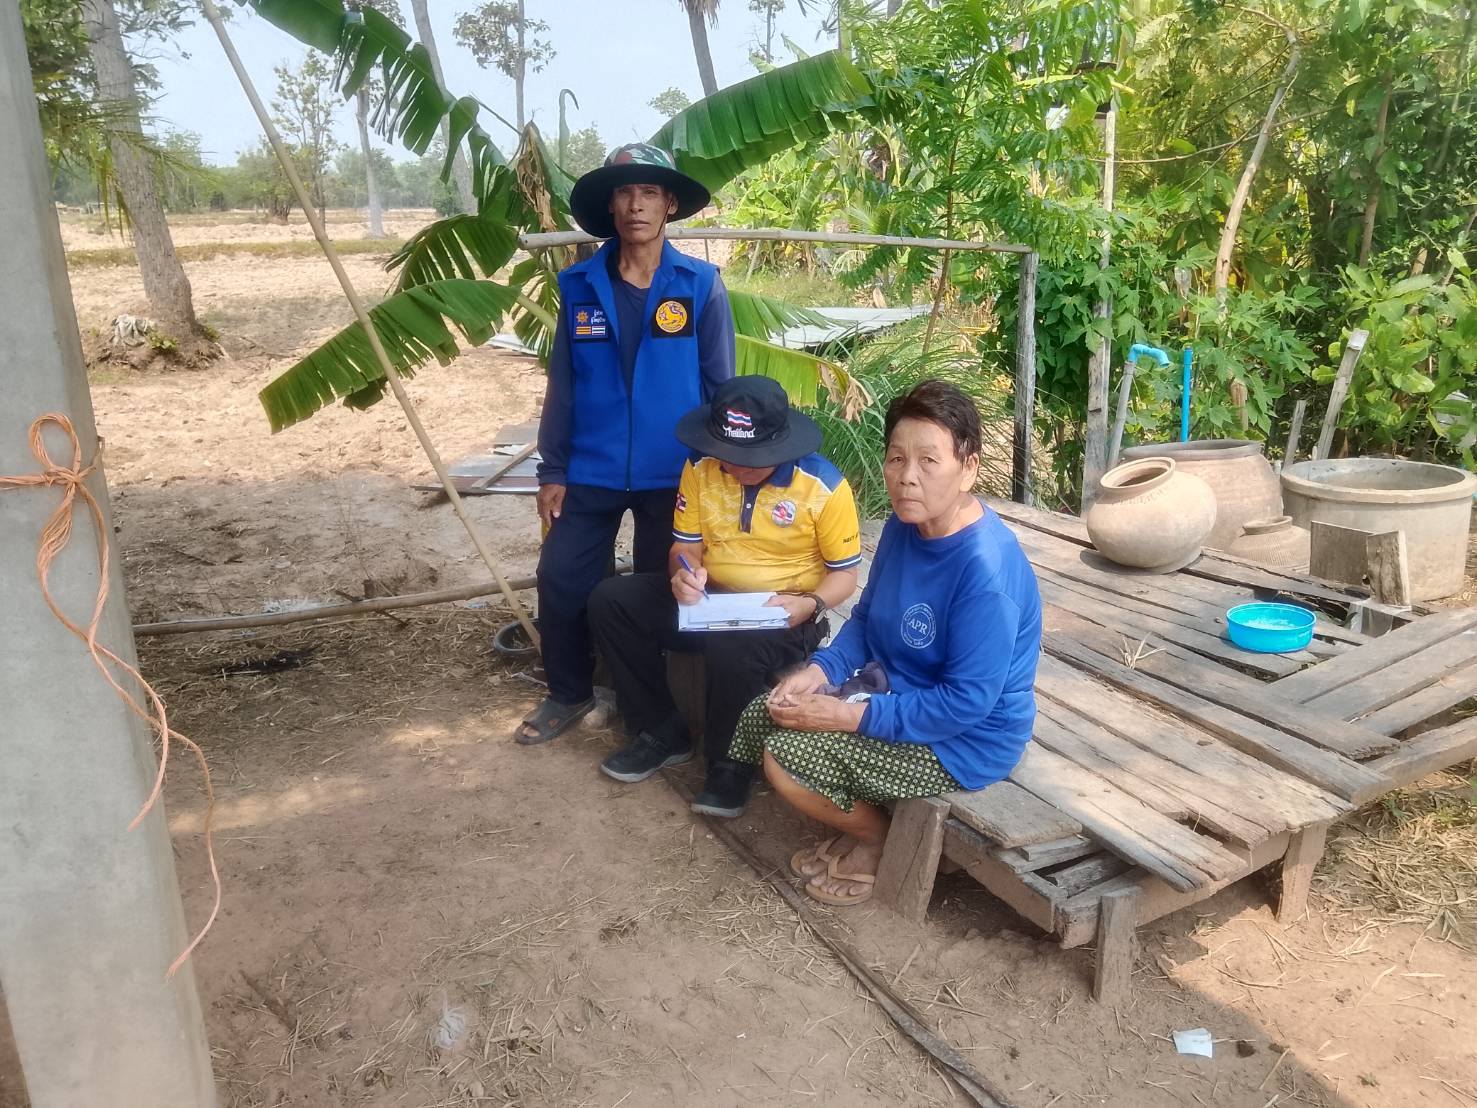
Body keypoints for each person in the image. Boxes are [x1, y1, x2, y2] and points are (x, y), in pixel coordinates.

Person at [729, 379, 1042, 906]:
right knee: (770, 711)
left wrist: (848, 715)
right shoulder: (905, 526)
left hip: (963, 741)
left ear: (968, 468)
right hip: (895, 692)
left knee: (786, 759)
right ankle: (859, 818)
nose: (907, 477)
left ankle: (877, 840)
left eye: (928, 461)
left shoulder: (985, 573)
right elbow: (867, 620)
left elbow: (966, 703)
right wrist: (821, 671)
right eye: (897, 458)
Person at [518, 144, 735, 745]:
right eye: (624, 192)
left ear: (669, 205)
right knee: (561, 576)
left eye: (649, 193)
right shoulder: (579, 285)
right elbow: (563, 383)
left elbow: (720, 386)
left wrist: (718, 467)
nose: (636, 205)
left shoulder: (700, 285)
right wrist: (553, 469)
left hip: (676, 472)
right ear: (610, 205)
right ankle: (569, 692)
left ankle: (654, 705)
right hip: (593, 467)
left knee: (656, 586)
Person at [588, 375, 862, 817]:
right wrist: (684, 574)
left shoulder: (823, 486)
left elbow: (845, 575)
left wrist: (809, 604)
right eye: (727, 453)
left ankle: (730, 764)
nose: (734, 466)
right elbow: (685, 546)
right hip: (708, 600)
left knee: (733, 644)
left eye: (749, 459)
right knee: (613, 600)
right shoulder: (701, 467)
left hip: (784, 611)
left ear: (779, 445)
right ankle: (661, 730)